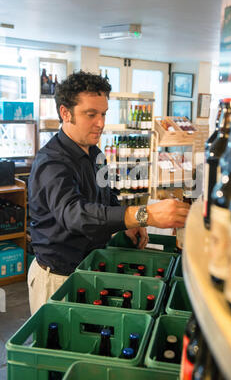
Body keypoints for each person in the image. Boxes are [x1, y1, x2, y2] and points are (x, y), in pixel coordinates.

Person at [27, 70, 190, 315]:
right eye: (90, 114)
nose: (100, 123)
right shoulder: (52, 163)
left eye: (103, 114)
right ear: (65, 112)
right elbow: (76, 216)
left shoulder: (95, 153)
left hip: (92, 268)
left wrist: (125, 223)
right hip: (58, 277)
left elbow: (106, 197)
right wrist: (143, 215)